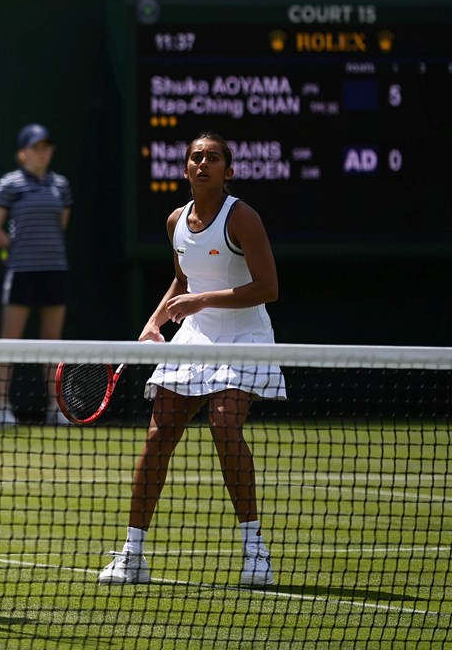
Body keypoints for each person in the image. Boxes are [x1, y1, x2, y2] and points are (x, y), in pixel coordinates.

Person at [98, 132, 286, 587]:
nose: (203, 163)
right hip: (195, 335)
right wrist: (154, 322)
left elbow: (268, 288)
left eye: (213, 157)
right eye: (196, 158)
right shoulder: (175, 222)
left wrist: (200, 303)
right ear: (185, 169)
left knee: (224, 425)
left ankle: (254, 549)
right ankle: (133, 554)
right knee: (158, 437)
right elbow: (184, 281)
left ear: (229, 170)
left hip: (244, 335)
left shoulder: (243, 217)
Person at [0, 123, 73, 426]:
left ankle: (55, 407)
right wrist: (16, 249)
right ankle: (1, 408)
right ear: (23, 153)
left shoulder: (61, 185)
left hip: (54, 270)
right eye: (36, 147)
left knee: (52, 340)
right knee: (10, 340)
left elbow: (60, 225)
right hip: (20, 271)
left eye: (47, 147)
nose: (43, 153)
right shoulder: (9, 184)